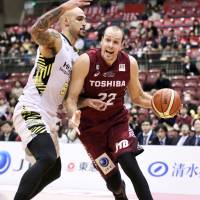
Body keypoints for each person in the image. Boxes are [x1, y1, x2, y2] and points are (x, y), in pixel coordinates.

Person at [12, 1, 107, 199]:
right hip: (31, 108)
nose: (84, 23)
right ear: (65, 20)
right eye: (79, 18)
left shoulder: (75, 56)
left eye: (85, 19)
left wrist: (86, 103)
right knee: (46, 157)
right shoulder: (56, 40)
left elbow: (67, 98)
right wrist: (63, 6)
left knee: (54, 170)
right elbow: (35, 31)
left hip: (49, 116)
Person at [65, 26, 153, 200]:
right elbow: (70, 99)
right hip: (90, 130)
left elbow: (137, 97)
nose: (111, 45)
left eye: (115, 42)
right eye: (108, 40)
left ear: (122, 45)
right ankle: (120, 192)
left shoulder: (129, 63)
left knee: (129, 163)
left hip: (116, 122)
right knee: (113, 182)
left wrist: (158, 105)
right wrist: (77, 111)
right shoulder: (85, 61)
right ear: (102, 41)